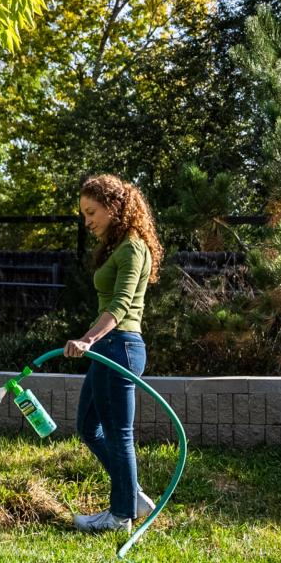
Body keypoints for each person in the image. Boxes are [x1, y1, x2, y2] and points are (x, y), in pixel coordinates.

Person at [64, 174, 164, 533]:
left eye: (92, 212)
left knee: (118, 432)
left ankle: (120, 515)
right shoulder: (119, 246)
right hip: (110, 347)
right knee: (88, 426)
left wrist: (88, 339)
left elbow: (120, 306)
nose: (87, 221)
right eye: (84, 214)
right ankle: (131, 493)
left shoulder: (133, 247)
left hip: (119, 346)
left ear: (114, 207)